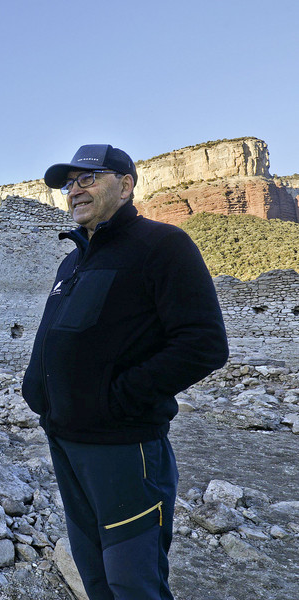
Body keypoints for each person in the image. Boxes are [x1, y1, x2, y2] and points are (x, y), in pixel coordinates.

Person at [22, 144, 229, 599]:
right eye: (68, 183)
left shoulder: (163, 246)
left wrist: (116, 400)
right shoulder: (72, 260)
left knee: (133, 582)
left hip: (123, 448)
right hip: (65, 442)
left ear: (126, 184)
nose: (74, 190)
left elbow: (205, 344)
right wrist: (37, 392)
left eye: (87, 179)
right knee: (94, 575)